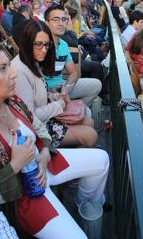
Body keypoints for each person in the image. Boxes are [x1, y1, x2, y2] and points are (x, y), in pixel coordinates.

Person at [0, 40, 109, 239]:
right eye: (2, 69)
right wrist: (14, 166)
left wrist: (44, 152)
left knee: (101, 160)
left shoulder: (12, 100)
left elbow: (39, 128)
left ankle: (83, 207)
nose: (13, 74)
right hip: (23, 197)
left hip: (43, 165)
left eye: (9, 65)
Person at [12, 19, 98, 148]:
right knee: (91, 135)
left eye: (47, 45)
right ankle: (64, 160)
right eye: (38, 44)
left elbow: (37, 96)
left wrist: (53, 96)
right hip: (38, 129)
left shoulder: (32, 61)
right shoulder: (19, 71)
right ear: (26, 43)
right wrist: (59, 104)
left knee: (89, 122)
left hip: (46, 117)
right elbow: (29, 117)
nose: (44, 50)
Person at [44, 5, 102, 107]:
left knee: (97, 85)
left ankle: (75, 110)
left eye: (63, 19)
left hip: (63, 87)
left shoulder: (63, 44)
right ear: (46, 23)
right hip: (47, 94)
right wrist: (52, 93)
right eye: (56, 19)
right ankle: (71, 112)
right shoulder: (41, 46)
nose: (61, 23)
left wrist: (66, 89)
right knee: (87, 115)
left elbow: (73, 73)